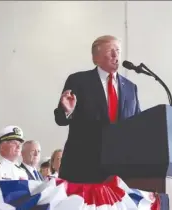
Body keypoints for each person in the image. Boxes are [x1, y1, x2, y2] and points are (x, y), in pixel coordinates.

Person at [54, 35, 141, 183]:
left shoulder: (131, 88)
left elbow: (137, 124)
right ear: (96, 58)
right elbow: (60, 119)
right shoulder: (79, 81)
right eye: (110, 51)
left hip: (119, 170)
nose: (115, 55)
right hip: (82, 167)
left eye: (118, 51)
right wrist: (67, 111)